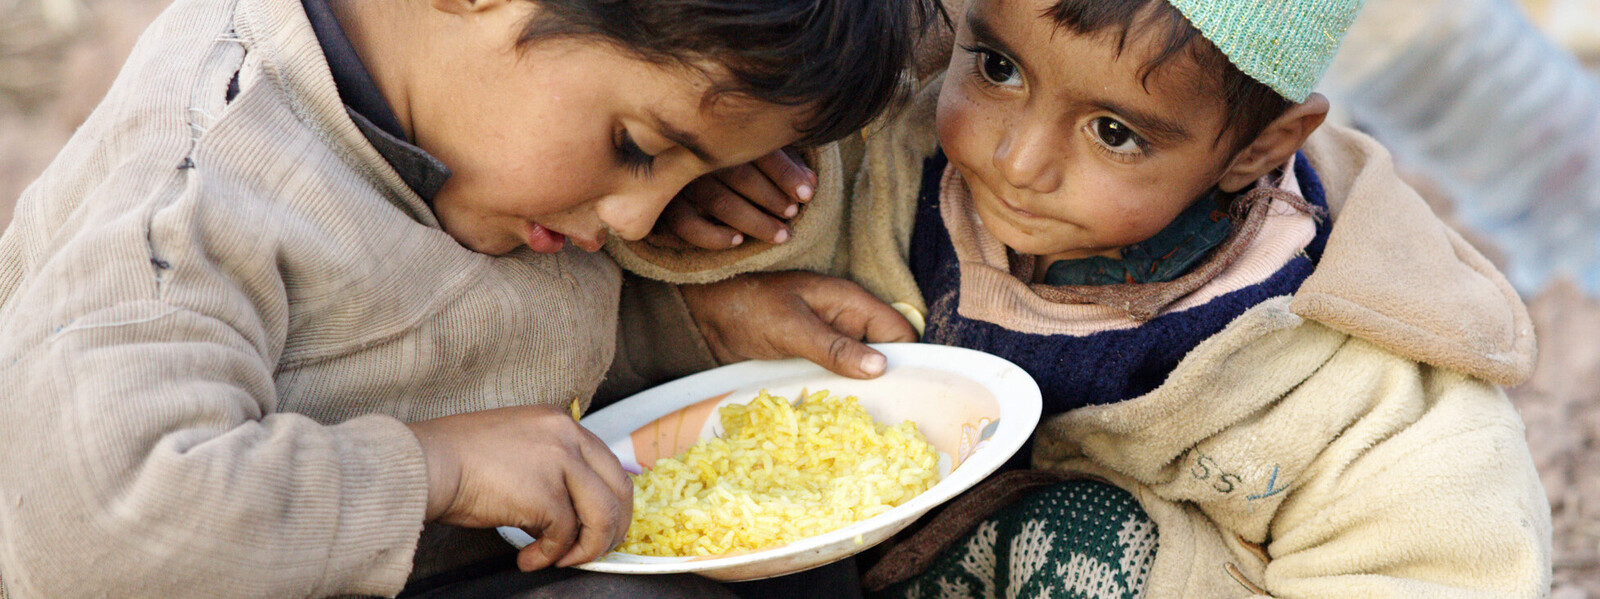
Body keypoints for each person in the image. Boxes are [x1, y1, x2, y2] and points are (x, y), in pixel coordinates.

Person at [618, 0, 1555, 596]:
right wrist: (707, 222)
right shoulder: (878, 158)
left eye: (1113, 132)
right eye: (996, 68)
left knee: (1081, 540)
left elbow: (1440, 555)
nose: (1017, 159)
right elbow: (635, 321)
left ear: (1258, 148)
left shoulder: (1326, 345)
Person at [0, 0, 933, 595]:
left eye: (698, 174)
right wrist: (435, 470)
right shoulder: (198, 186)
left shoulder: (473, 134)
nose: (640, 212)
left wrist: (692, 325)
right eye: (640, 147)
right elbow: (97, 521)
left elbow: (457, 335)